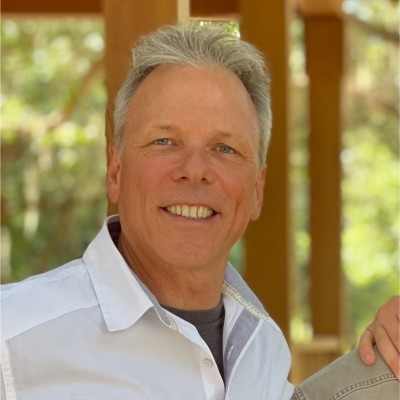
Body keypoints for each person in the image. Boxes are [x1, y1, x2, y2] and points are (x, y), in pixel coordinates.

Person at [1, 23, 398, 399]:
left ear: (257, 189)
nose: (194, 170)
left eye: (225, 148)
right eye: (164, 141)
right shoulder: (12, 335)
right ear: (116, 171)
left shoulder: (263, 349)